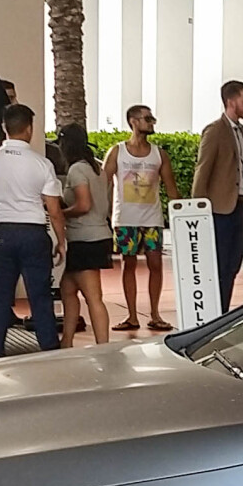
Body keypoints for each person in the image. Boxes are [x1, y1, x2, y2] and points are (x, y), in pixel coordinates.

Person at [0, 105, 63, 356]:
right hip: (33, 235)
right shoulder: (42, 164)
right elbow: (54, 209)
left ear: (3, 128)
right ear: (30, 128)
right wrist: (61, 240)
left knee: (0, 296)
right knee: (40, 295)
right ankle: (49, 348)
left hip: (0, 235)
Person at [104, 105, 178, 331]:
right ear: (133, 121)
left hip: (152, 219)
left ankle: (155, 314)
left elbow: (171, 188)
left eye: (152, 118)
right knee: (129, 264)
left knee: (156, 264)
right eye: (147, 119)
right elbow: (102, 182)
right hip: (125, 219)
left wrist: (182, 214)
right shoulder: (117, 151)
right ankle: (132, 316)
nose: (152, 122)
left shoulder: (159, 154)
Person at [52, 120, 113, 346]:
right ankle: (66, 340)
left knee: (93, 297)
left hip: (85, 239)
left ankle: (102, 345)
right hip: (97, 235)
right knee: (68, 289)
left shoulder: (77, 169)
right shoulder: (97, 167)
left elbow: (84, 204)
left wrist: (61, 212)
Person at [193, 78, 243, 311]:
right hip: (220, 209)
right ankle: (216, 312)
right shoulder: (215, 131)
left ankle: (222, 311)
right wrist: (198, 210)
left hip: (241, 205)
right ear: (230, 101)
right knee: (219, 266)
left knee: (233, 265)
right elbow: (202, 169)